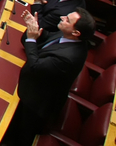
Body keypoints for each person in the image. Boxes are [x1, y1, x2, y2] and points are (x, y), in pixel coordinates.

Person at [11, 9, 94, 146]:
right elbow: (47, 38)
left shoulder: (68, 58)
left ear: (76, 33)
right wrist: (35, 29)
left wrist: (32, 38)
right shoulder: (69, 36)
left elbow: (35, 68)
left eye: (67, 20)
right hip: (34, 87)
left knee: (24, 134)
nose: (62, 18)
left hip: (37, 102)